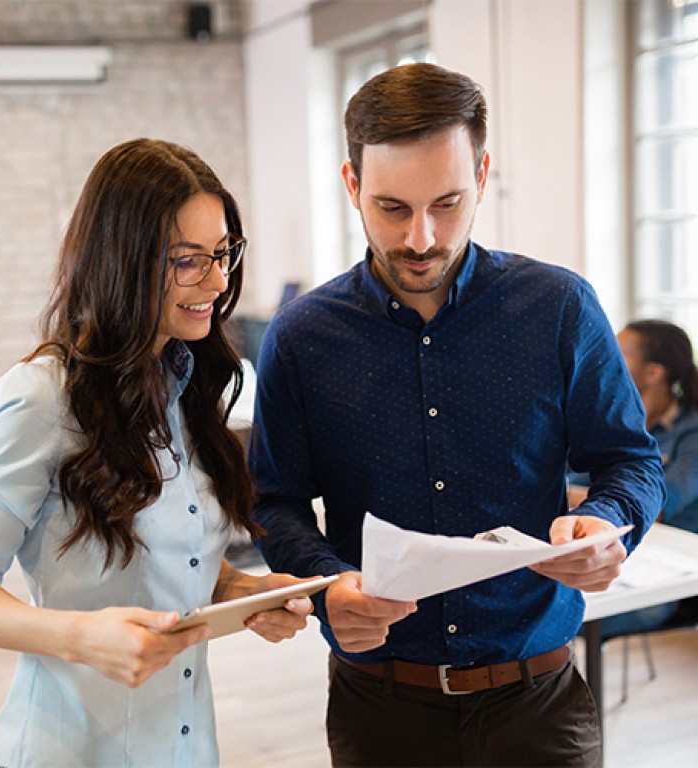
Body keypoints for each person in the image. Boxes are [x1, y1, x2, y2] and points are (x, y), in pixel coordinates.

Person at [248, 63, 665, 767]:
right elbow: (275, 501)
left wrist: (611, 522)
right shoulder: (300, 337)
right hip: (379, 708)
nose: (420, 238)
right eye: (391, 208)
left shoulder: (559, 309)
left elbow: (629, 458)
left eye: (448, 203)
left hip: (538, 702)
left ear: (483, 173)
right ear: (351, 186)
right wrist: (325, 587)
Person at [0, 138, 315, 767]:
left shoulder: (186, 385)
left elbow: (167, 562)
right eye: (188, 261)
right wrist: (81, 636)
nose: (218, 282)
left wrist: (240, 591)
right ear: (122, 262)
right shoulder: (41, 398)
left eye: (222, 254)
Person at [569, 320, 698, 637]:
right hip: (627, 550)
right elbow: (577, 473)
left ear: (654, 373)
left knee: (563, 615)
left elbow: (661, 503)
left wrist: (565, 493)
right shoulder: (621, 423)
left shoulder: (691, 432)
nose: (604, 356)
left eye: (618, 352)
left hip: (671, 576)